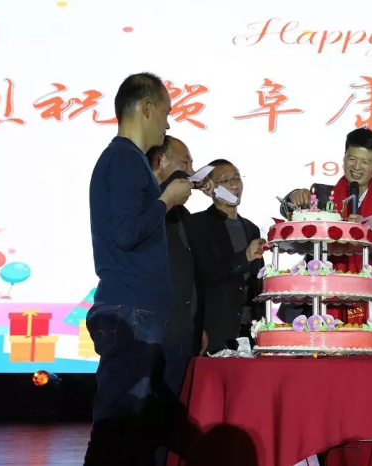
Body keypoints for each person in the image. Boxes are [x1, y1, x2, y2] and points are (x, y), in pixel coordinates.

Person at [85, 73, 192, 465]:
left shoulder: (126, 160)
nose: (168, 123)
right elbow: (126, 232)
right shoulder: (125, 159)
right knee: (118, 430)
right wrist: (166, 199)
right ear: (146, 108)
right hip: (130, 310)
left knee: (130, 433)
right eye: (165, 112)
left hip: (136, 310)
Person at [279, 127, 372, 324]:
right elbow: (287, 210)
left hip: (366, 301)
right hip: (314, 301)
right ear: (344, 158)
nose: (357, 167)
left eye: (365, 162)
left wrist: (365, 236)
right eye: (352, 159)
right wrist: (293, 196)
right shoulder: (321, 194)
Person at [146, 135, 214, 465]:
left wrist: (197, 325)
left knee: (172, 418)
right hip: (154, 333)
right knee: (149, 420)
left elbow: (193, 274)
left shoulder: (183, 215)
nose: (191, 170)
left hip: (184, 332)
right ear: (160, 162)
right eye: (185, 163)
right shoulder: (147, 208)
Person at [186, 159, 267, 354]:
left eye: (237, 178)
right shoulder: (197, 224)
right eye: (225, 180)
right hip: (214, 330)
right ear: (210, 188)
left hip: (250, 331)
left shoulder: (251, 228)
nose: (234, 185)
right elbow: (202, 275)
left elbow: (257, 282)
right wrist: (244, 257)